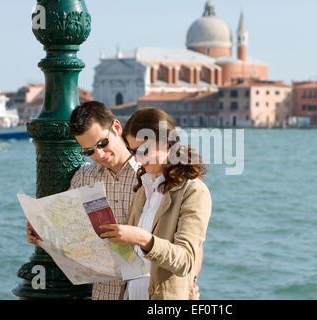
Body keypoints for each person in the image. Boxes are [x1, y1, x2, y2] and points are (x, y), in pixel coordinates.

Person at [26, 101, 139, 300]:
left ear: (116, 127)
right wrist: (41, 232)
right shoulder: (84, 177)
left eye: (103, 143)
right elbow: (67, 232)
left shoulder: (149, 174)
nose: (100, 154)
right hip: (106, 294)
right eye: (89, 151)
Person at [99, 107, 212, 300]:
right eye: (133, 151)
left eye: (144, 150)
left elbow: (186, 261)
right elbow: (128, 257)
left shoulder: (194, 191)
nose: (137, 158)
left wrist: (143, 239)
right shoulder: (143, 189)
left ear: (168, 143)